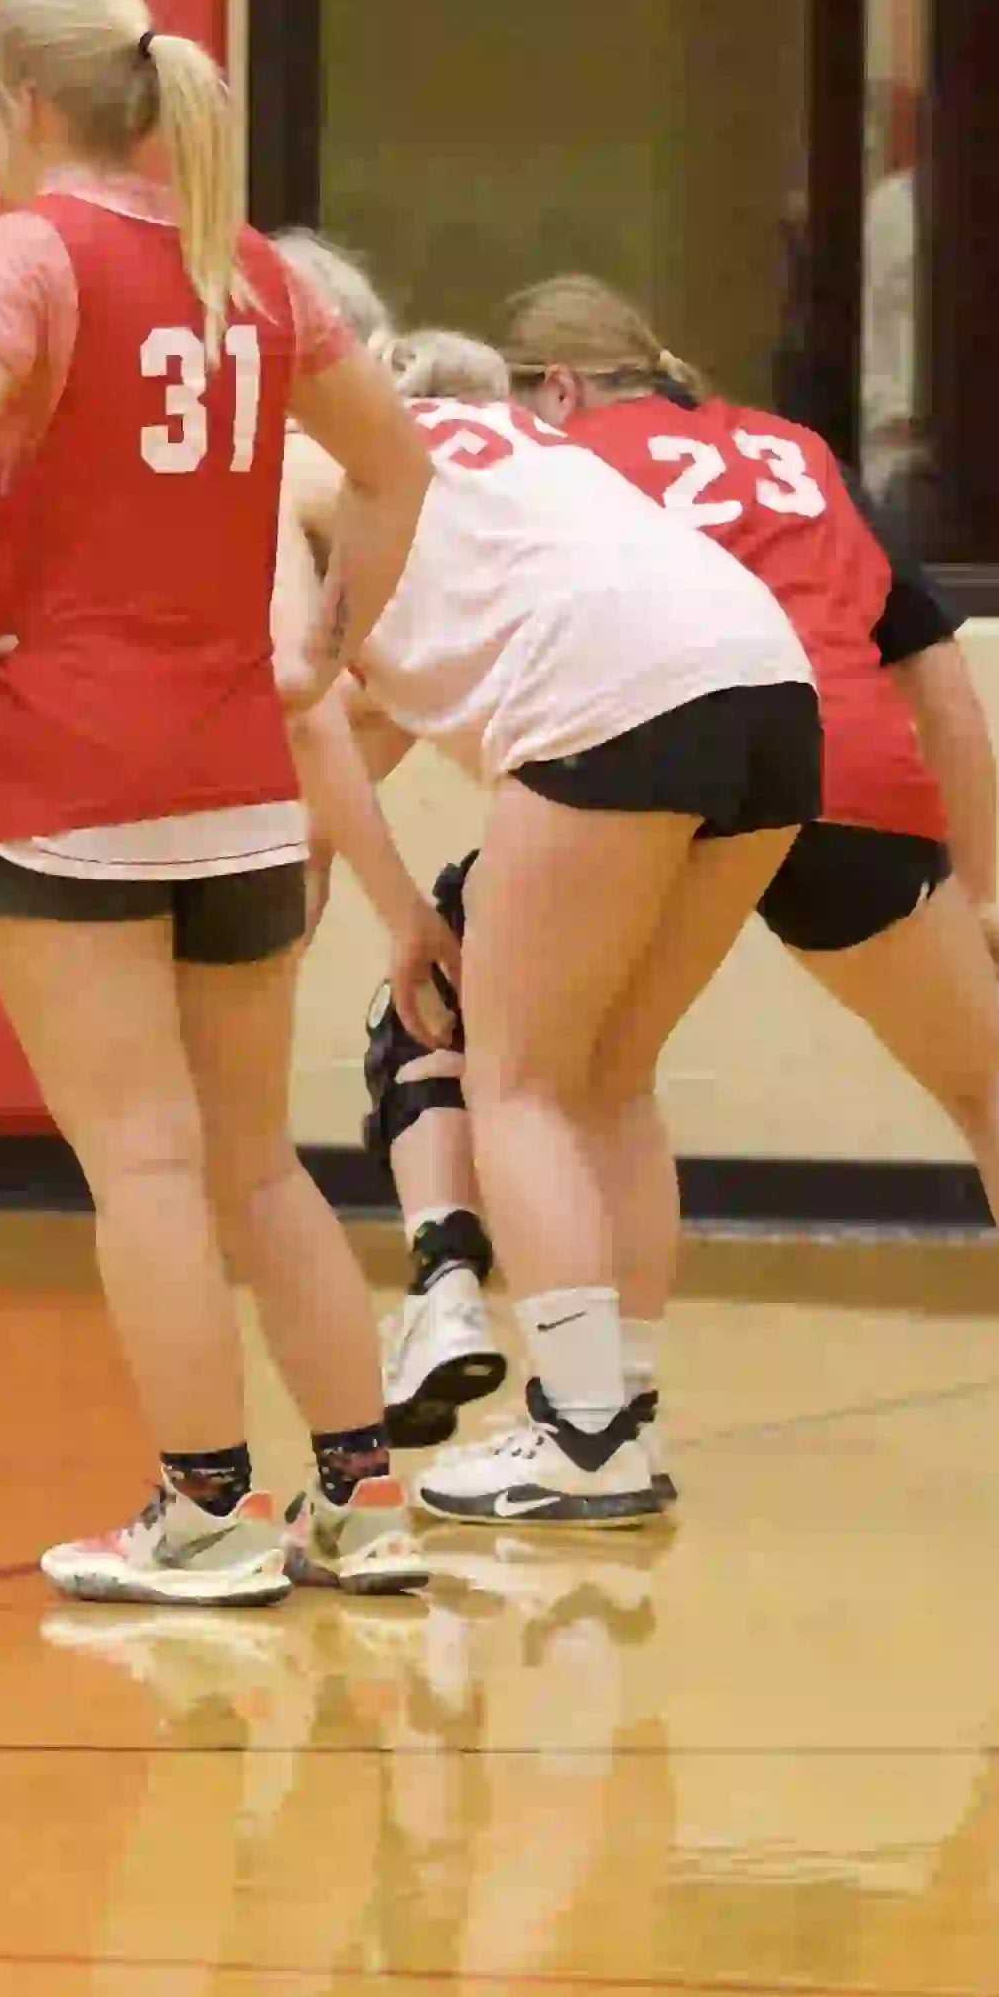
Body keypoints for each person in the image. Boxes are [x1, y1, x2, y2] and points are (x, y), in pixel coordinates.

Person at [349, 275, 999, 1499]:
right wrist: (979, 887)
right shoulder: (795, 452)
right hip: (851, 765)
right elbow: (941, 680)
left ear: (555, 389)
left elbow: (564, 648)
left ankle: (517, 1345)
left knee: (524, 1060)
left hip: (675, 758)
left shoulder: (554, 460)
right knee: (991, 1080)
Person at [0, 0, 440, 1614]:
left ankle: (203, 1514)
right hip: (240, 777)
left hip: (67, 777)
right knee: (258, 1167)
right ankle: (364, 1497)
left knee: (147, 1165)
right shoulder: (249, 269)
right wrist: (325, 649)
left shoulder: (24, 254)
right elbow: (397, 468)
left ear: (24, 108)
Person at [270, 249, 817, 1536]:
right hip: (770, 693)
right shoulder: (484, 433)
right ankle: (615, 1412)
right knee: (608, 1078)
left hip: (611, 693)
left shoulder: (291, 464)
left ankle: (576, 1435)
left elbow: (295, 708)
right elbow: (347, 731)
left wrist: (404, 916)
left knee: (513, 1082)